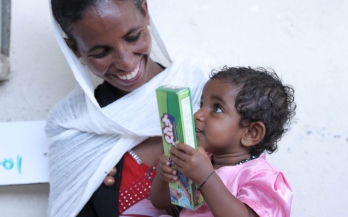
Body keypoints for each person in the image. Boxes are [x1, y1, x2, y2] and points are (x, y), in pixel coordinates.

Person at [46, 0, 212, 216]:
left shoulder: (204, 96)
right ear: (75, 49)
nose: (125, 62)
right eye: (100, 52)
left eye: (132, 37)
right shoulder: (72, 126)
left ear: (144, 11)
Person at [150, 66, 296, 217]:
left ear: (251, 133)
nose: (198, 114)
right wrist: (164, 177)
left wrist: (206, 178)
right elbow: (161, 203)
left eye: (217, 109)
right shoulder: (198, 160)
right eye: (201, 104)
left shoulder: (263, 177)